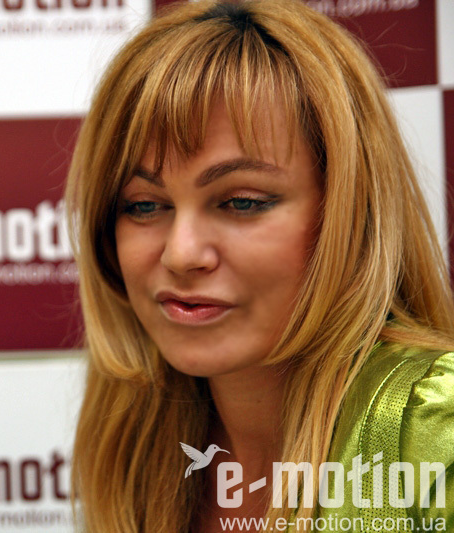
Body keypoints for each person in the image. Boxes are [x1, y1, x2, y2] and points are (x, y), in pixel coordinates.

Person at [64, 1, 454, 531]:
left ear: (348, 211)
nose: (181, 254)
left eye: (241, 202)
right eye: (144, 206)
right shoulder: (135, 443)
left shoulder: (433, 429)